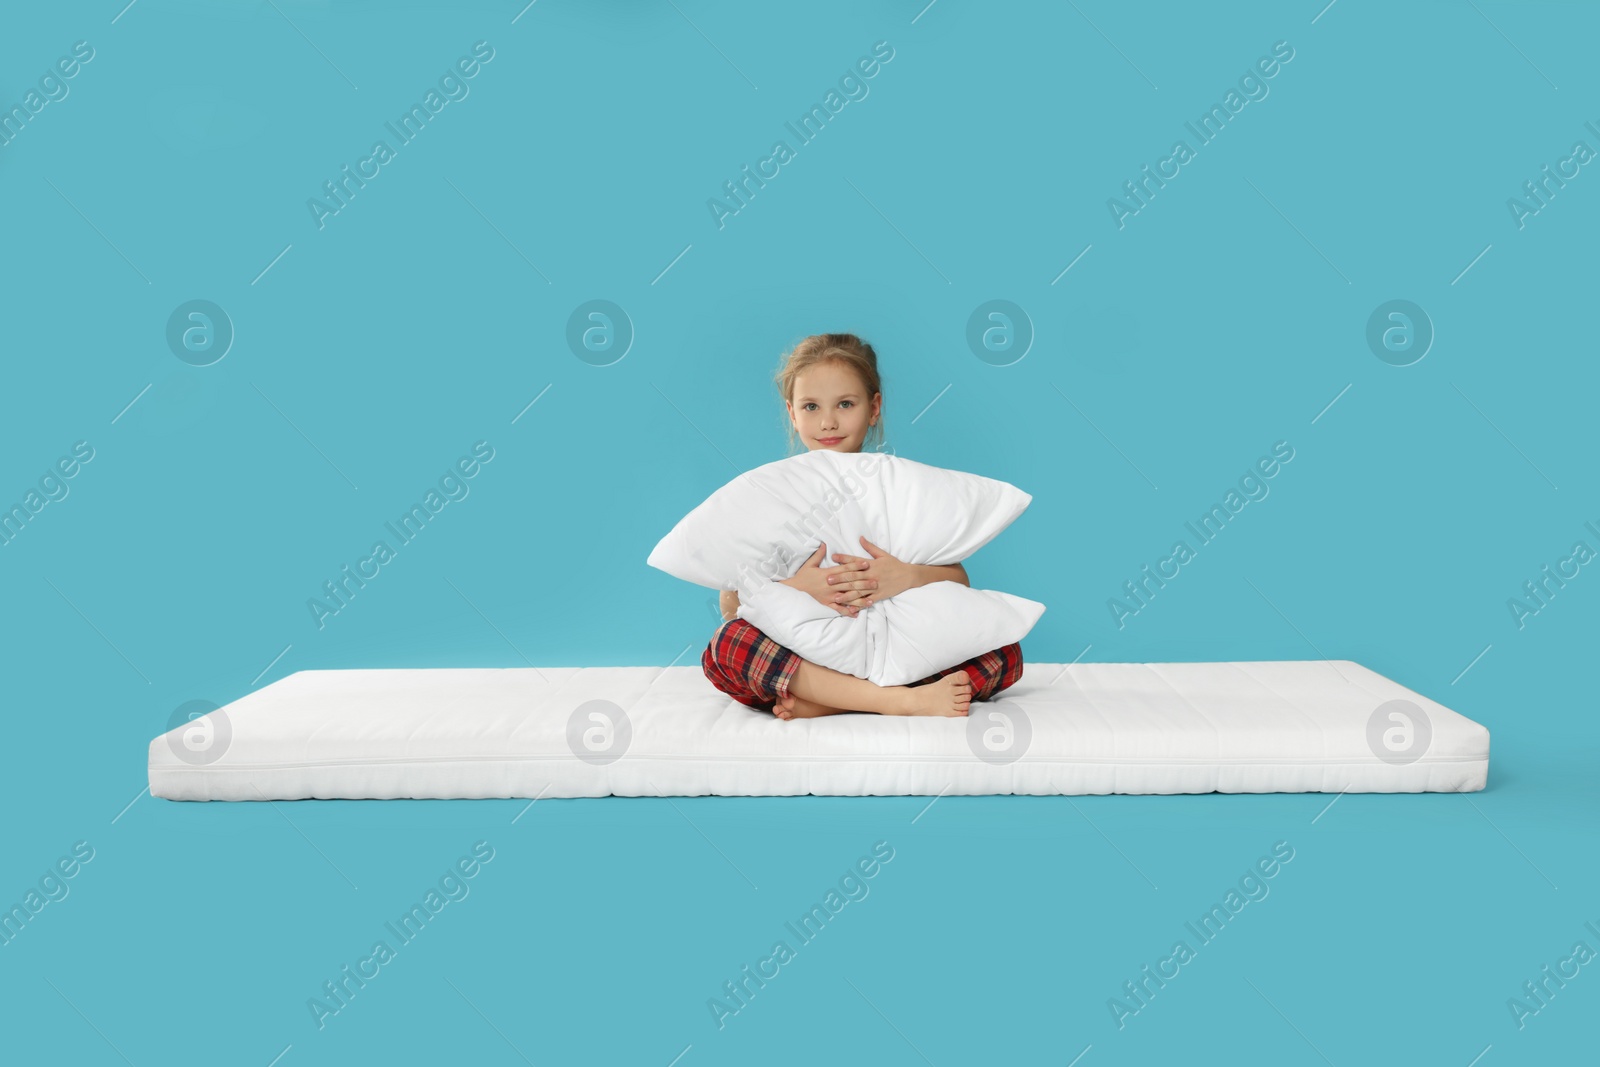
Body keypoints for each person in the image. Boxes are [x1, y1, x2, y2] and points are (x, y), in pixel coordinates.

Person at [701, 332, 1024, 720]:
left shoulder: (898, 489)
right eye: (810, 407)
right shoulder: (774, 492)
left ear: (874, 408)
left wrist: (904, 576)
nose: (828, 421)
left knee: (1004, 649)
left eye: (845, 404)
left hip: (895, 644)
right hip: (804, 655)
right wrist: (794, 589)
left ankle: (831, 703)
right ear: (791, 413)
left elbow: (960, 583)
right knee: (728, 646)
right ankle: (897, 701)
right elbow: (730, 604)